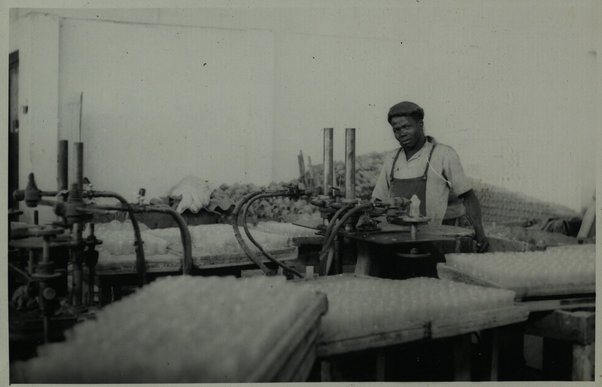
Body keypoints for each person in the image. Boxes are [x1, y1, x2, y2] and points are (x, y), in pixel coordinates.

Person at [372, 101, 489, 252]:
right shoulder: (392, 158)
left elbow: (467, 196)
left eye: (407, 127)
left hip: (432, 241)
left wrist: (479, 232)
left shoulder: (443, 154)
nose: (401, 133)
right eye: (396, 130)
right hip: (395, 242)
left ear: (420, 124)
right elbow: (377, 200)